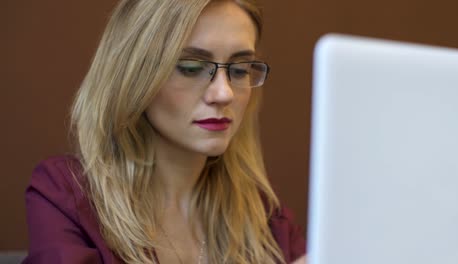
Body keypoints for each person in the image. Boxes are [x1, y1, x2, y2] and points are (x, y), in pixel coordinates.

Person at [24, 0, 306, 263]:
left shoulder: (263, 214)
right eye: (191, 67)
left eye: (240, 70)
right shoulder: (66, 196)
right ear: (134, 74)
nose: (223, 93)